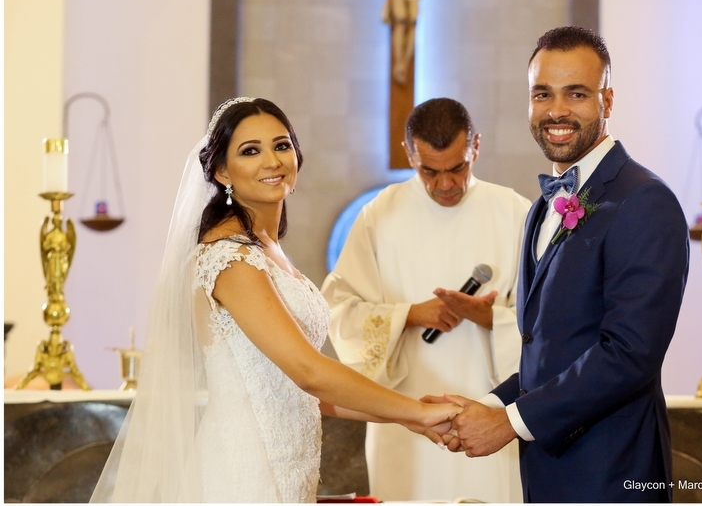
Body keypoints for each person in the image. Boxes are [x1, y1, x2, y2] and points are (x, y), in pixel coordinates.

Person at [90, 97, 461, 503]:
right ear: (221, 171)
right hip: (244, 474)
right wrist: (414, 411)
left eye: (281, 145)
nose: (272, 160)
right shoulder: (230, 258)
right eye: (251, 151)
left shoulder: (268, 250)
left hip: (289, 475)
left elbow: (306, 395)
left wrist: (406, 416)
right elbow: (308, 371)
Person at [440, 26, 690, 502]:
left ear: (607, 100)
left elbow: (629, 353)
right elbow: (551, 349)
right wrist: (487, 406)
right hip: (548, 474)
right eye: (542, 94)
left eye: (576, 94)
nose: (556, 111)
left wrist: (510, 423)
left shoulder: (645, 201)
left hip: (613, 473)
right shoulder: (541, 207)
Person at [322, 98, 530, 502]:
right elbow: (340, 310)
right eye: (429, 171)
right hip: (404, 416)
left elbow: (548, 323)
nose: (445, 184)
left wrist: (490, 319)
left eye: (458, 168)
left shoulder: (514, 212)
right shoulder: (379, 215)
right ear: (409, 153)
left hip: (489, 414)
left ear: (476, 147)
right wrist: (410, 315)